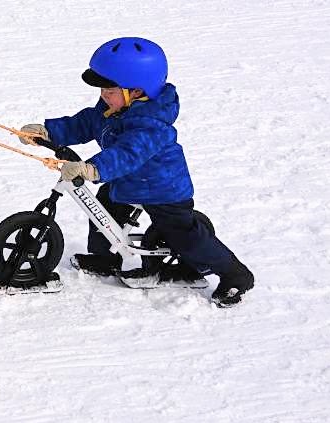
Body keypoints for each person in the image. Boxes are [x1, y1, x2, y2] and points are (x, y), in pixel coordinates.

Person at [18, 38, 255, 307]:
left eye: (109, 90)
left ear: (137, 91)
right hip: (127, 181)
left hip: (162, 187)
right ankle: (104, 259)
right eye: (102, 90)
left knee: (182, 234)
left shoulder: (151, 125)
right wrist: (49, 132)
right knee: (103, 210)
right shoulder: (112, 108)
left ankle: (236, 275)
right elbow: (85, 123)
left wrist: (94, 168)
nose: (103, 96)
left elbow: (129, 153)